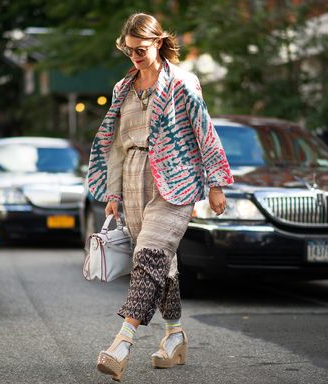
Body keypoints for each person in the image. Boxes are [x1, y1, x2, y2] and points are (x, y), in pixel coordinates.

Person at [87, 13, 233, 381]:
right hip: (135, 179)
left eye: (141, 48)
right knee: (161, 263)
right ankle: (175, 335)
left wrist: (216, 182)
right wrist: (114, 192)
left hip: (176, 181)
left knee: (149, 255)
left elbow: (205, 131)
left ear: (157, 42)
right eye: (128, 49)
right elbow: (118, 147)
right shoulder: (124, 88)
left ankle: (122, 342)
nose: (134, 55)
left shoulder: (183, 83)